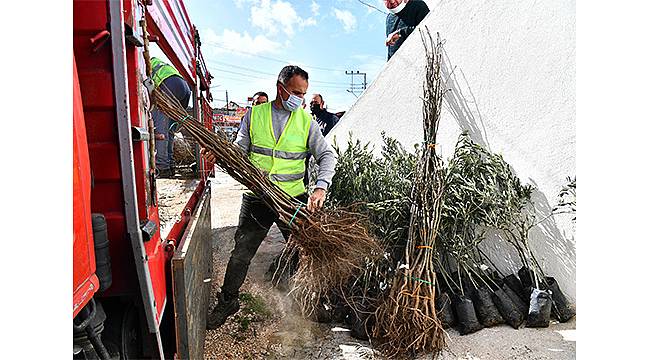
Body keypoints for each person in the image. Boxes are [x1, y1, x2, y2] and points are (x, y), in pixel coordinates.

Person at [205, 65, 337, 329]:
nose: (300, 98)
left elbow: (327, 155)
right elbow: (239, 150)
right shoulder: (254, 115)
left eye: (304, 93)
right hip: (258, 198)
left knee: (304, 252)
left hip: (292, 200)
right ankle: (228, 301)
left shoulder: (306, 121)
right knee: (241, 253)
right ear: (281, 88)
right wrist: (222, 154)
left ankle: (309, 302)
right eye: (297, 92)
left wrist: (320, 186)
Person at [150, 57, 192, 178]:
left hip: (169, 86)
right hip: (184, 88)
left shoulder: (142, 62)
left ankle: (162, 168)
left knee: (160, 131)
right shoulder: (158, 62)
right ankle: (170, 165)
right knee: (170, 131)